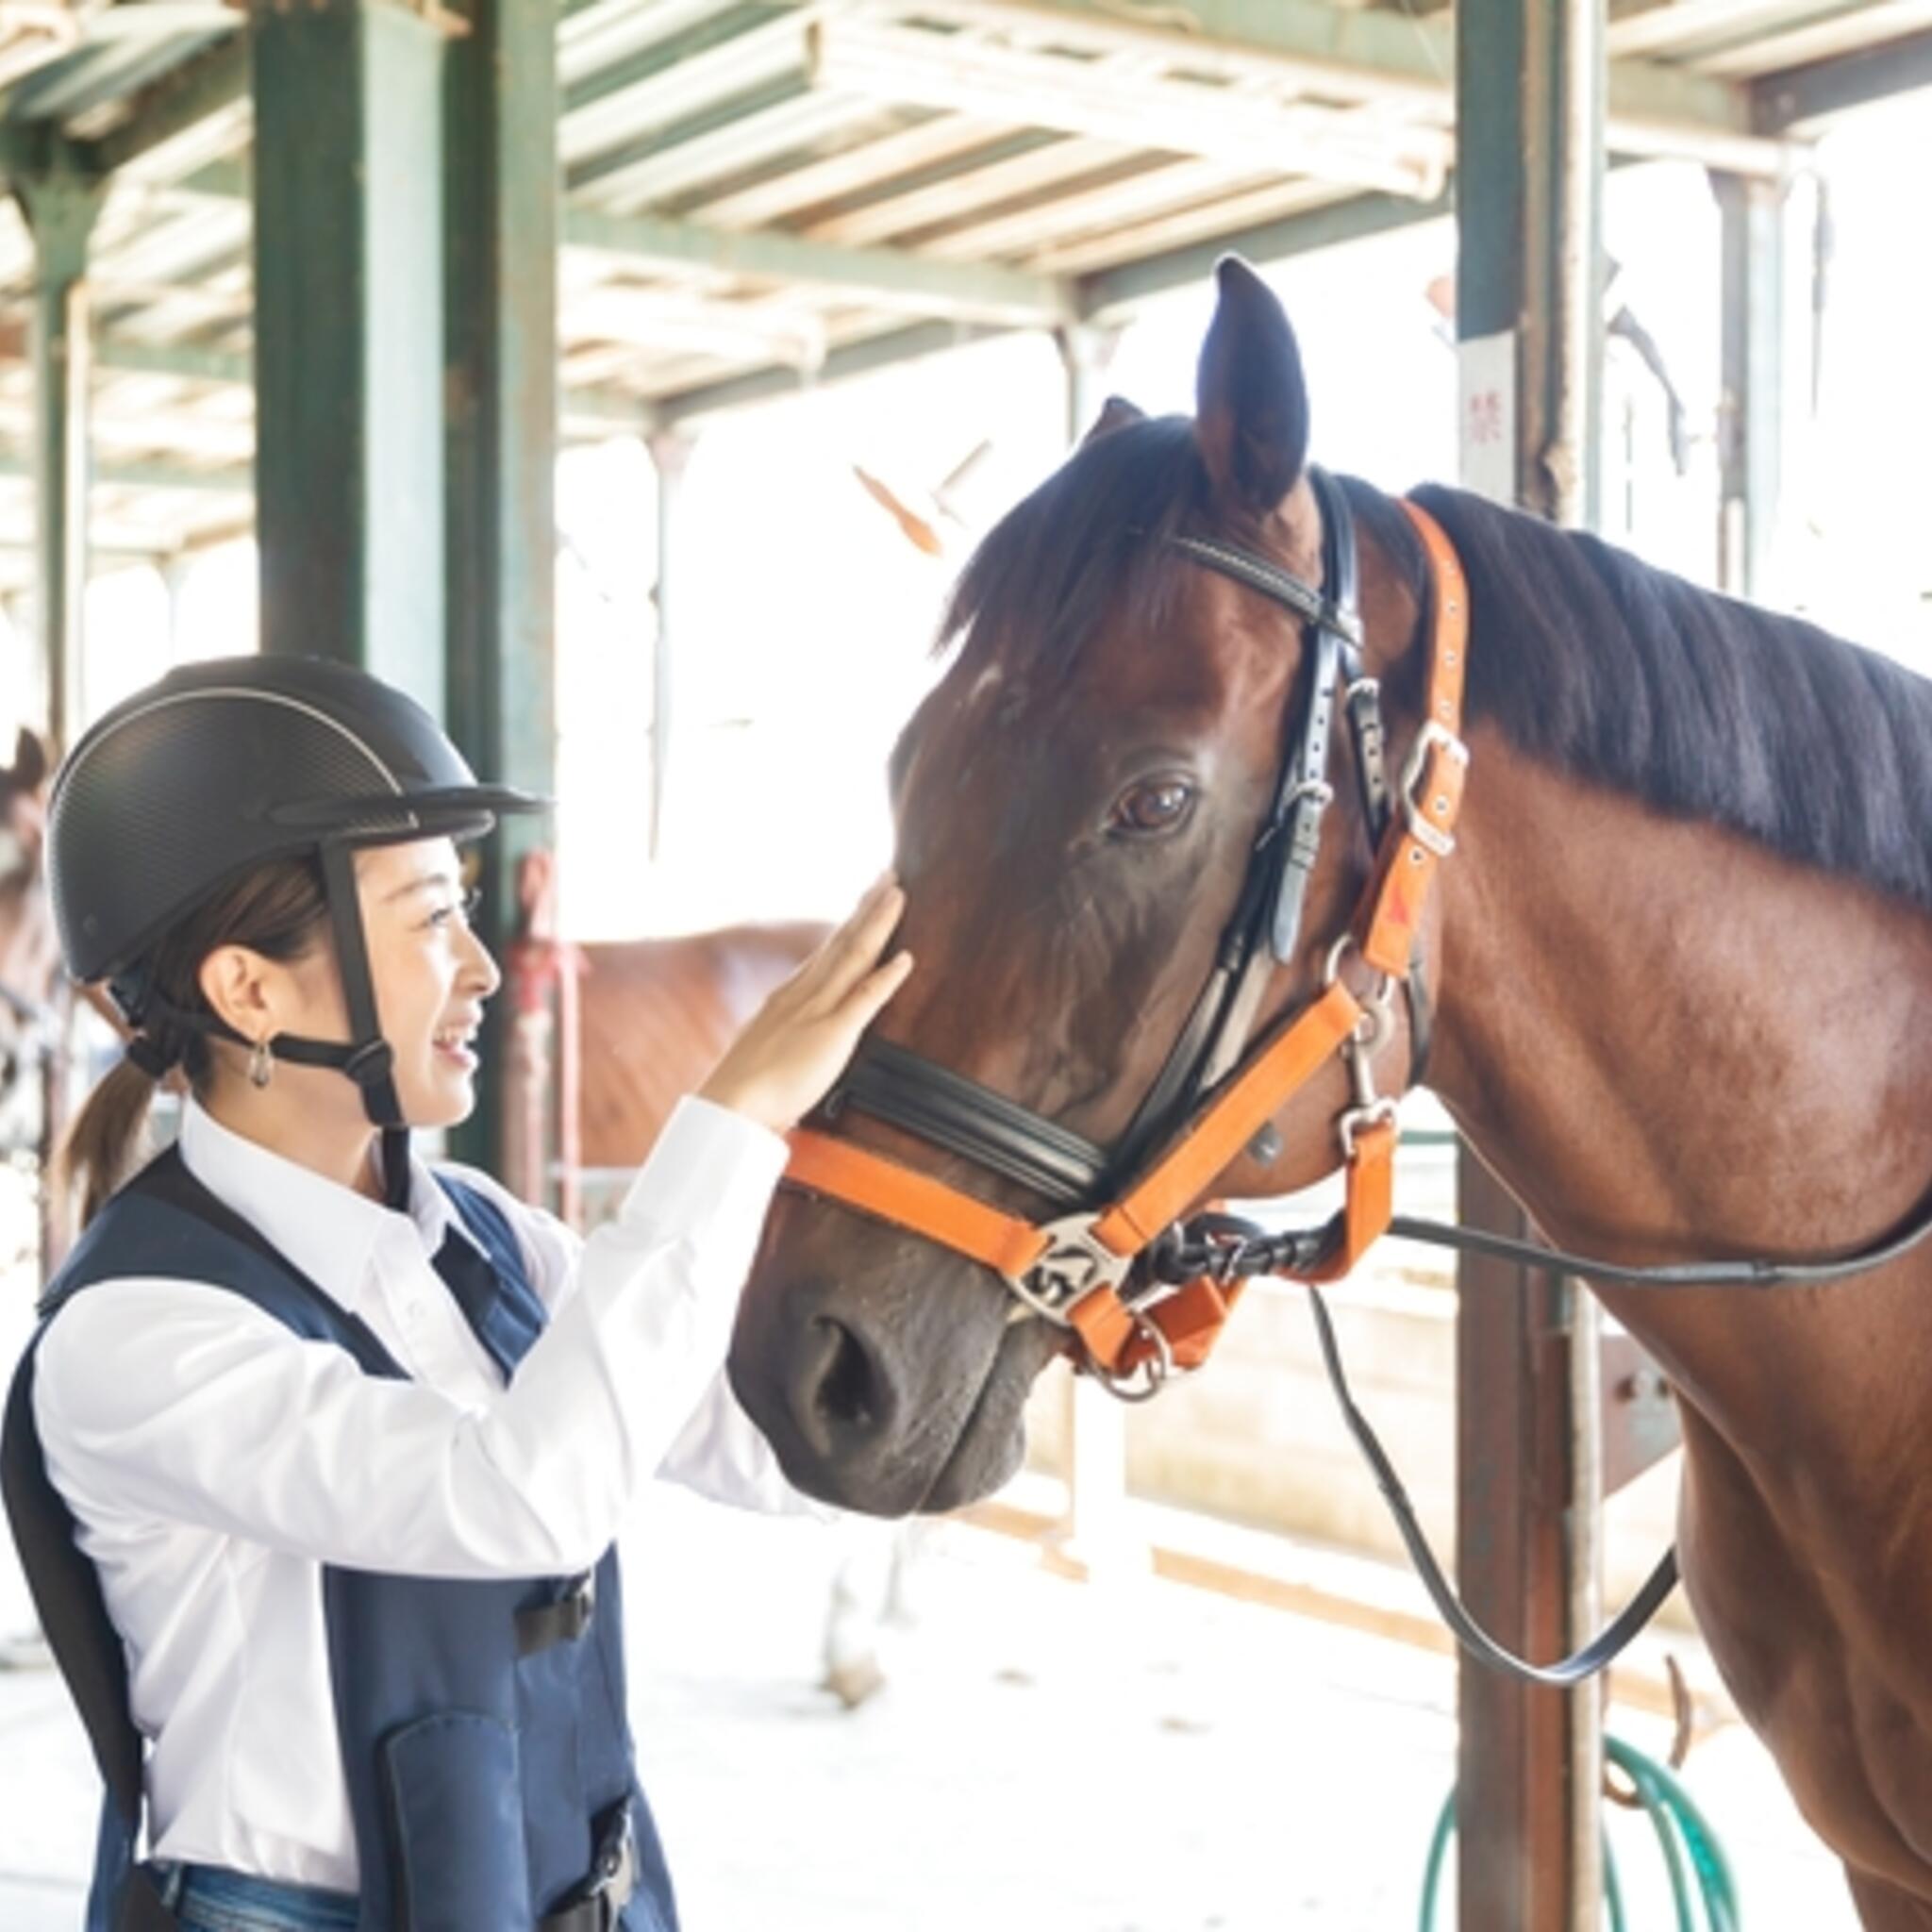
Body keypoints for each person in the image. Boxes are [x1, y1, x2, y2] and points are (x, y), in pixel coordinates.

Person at [0, 655, 910, 1932]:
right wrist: (728, 1119)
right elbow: (522, 1501)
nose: (480, 967)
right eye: (429, 919)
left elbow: (782, 1451)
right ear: (248, 990)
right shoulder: (135, 1338)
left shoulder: (484, 1241)